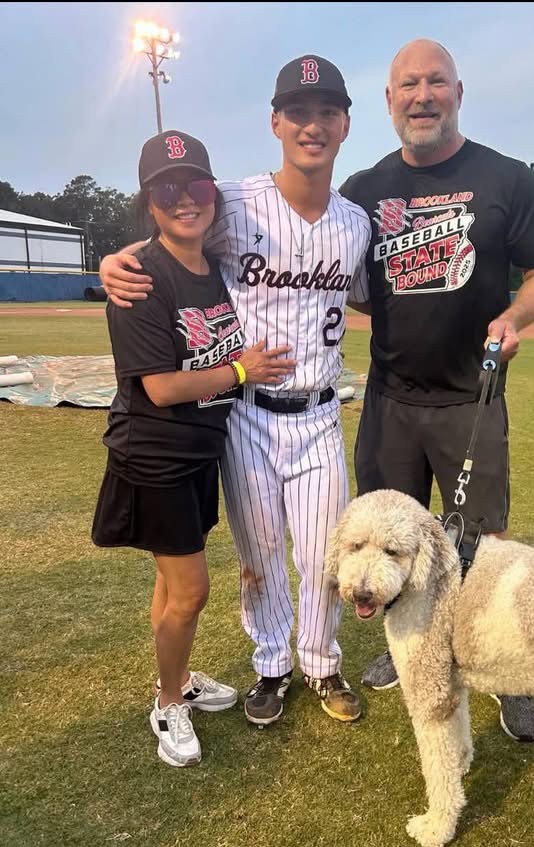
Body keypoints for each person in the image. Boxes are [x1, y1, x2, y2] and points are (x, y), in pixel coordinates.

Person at [99, 57, 371, 729]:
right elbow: (173, 223)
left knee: (323, 554)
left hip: (318, 412)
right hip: (245, 416)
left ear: (345, 124)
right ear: (276, 122)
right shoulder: (235, 201)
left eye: (326, 113)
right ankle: (272, 665)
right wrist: (116, 259)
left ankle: (322, 662)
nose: (312, 126)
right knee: (260, 556)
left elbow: (369, 294)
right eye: (298, 112)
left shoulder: (356, 224)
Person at [339, 39, 534, 743]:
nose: (422, 96)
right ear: (389, 100)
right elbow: (334, 270)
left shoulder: (506, 179)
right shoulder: (363, 190)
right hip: (390, 400)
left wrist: (512, 317)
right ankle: (407, 649)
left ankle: (501, 670)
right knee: (389, 545)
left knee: (483, 547)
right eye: (407, 85)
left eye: (435, 82)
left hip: (472, 398)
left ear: (458, 92)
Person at [92, 130, 296, 766]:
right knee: (190, 592)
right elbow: (160, 387)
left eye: (197, 185)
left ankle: (176, 678)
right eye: (167, 190)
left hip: (199, 453)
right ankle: (168, 702)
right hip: (155, 456)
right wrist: (241, 371)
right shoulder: (141, 279)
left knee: (171, 582)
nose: (186, 199)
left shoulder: (213, 267)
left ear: (214, 193)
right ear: (149, 203)